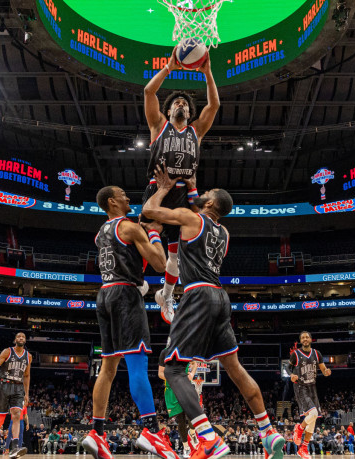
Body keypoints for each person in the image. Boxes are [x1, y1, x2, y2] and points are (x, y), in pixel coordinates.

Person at [141, 166, 285, 459]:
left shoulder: (189, 218)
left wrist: (165, 187)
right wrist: (193, 188)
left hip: (198, 295)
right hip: (221, 297)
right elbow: (199, 208)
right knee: (234, 367)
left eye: (205, 193)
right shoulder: (224, 231)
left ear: (209, 203)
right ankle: (268, 432)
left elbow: (149, 210)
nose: (200, 193)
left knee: (172, 368)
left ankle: (208, 438)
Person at [82, 186, 177, 459]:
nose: (128, 197)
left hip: (104, 295)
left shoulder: (101, 232)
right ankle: (151, 431)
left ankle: (97, 433)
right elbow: (160, 263)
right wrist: (155, 232)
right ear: (112, 202)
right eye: (123, 194)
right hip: (125, 295)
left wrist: (145, 225)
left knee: (108, 369)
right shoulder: (128, 228)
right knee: (138, 363)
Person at [142, 47, 220, 324]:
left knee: (176, 255)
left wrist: (208, 72)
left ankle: (167, 294)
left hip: (182, 195)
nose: (180, 105)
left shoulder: (195, 132)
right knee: (151, 232)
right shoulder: (158, 126)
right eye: (176, 103)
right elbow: (149, 93)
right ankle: (139, 277)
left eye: (184, 104)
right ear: (169, 109)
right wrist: (169, 68)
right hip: (158, 186)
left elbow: (214, 106)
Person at [0, 332, 32, 459]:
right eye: (19, 336)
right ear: (15, 340)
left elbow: (26, 376)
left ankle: (15, 447)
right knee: (0, 420)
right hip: (4, 385)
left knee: (17, 414)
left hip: (18, 387)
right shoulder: (7, 351)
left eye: (23, 337)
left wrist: (26, 394)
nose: (21, 338)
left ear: (25, 341)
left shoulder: (29, 356)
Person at [290, 331, 331, 459]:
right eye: (303, 337)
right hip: (301, 387)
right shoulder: (296, 354)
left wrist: (326, 372)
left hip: (312, 387)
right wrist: (291, 375)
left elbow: (323, 369)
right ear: (300, 341)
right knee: (313, 414)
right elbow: (287, 367)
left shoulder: (316, 353)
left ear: (311, 339)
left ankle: (303, 448)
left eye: (307, 337)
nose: (305, 339)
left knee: (313, 420)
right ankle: (299, 428)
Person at [158, 349, 200, 458]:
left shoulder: (185, 349)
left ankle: (192, 432)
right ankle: (186, 447)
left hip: (185, 385)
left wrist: (192, 374)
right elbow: (160, 373)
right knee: (181, 420)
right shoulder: (165, 353)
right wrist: (174, 379)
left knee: (192, 414)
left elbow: (195, 363)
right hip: (171, 389)